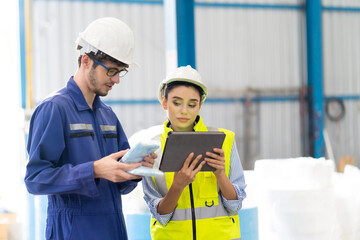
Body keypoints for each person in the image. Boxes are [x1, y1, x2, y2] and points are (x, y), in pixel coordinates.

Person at [24, 17, 156, 240]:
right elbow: (35, 179)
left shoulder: (108, 115)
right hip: (73, 229)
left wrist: (135, 170)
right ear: (86, 61)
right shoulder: (54, 109)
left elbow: (119, 185)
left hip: (113, 227)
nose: (116, 80)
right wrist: (93, 170)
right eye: (111, 71)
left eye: (120, 72)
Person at [142, 65, 247, 240]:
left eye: (192, 104)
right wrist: (177, 186)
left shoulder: (224, 141)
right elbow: (160, 215)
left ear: (200, 105)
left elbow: (235, 205)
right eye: (177, 103)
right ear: (164, 101)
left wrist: (220, 174)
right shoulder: (151, 149)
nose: (184, 111)